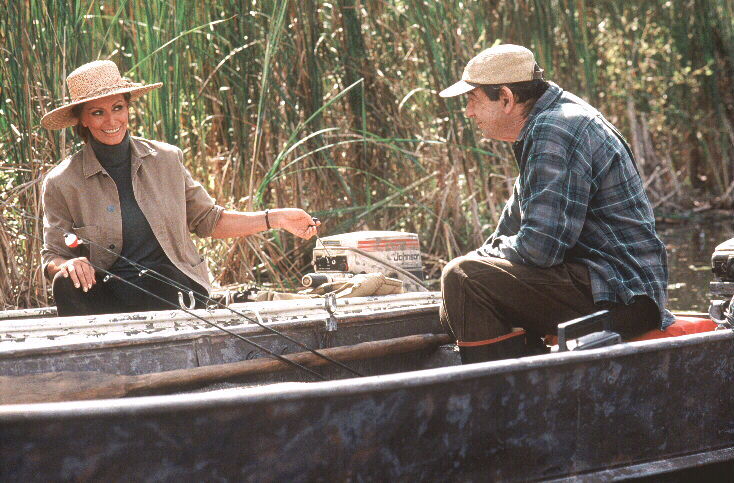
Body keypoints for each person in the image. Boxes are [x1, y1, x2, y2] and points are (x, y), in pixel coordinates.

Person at [438, 44, 673, 363]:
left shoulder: (555, 129)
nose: (468, 112)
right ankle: (525, 377)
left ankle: (499, 403)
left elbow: (539, 249)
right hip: (599, 283)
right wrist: (482, 260)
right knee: (453, 298)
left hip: (622, 293)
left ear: (506, 98)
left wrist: (474, 266)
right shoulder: (546, 123)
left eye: (472, 100)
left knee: (464, 278)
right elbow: (508, 231)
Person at [40, 60, 319, 316]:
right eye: (97, 112)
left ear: (128, 108)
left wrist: (276, 218)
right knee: (66, 283)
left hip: (171, 287)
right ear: (82, 120)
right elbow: (53, 255)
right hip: (111, 295)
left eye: (117, 108)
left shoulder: (166, 159)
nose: (111, 121)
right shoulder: (61, 182)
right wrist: (66, 265)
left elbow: (210, 220)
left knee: (155, 278)